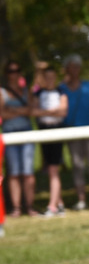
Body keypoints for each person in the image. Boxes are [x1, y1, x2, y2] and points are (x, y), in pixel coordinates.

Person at [60, 54, 89, 210]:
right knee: (77, 166)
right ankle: (81, 200)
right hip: (72, 132)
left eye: (77, 66)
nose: (75, 70)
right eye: (72, 66)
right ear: (66, 69)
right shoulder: (62, 88)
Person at [1, 61, 38, 217]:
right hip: (10, 134)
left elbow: (31, 110)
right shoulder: (2, 92)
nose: (14, 74)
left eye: (17, 70)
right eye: (10, 71)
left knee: (28, 172)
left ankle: (29, 207)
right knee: (14, 173)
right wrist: (20, 111)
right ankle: (17, 208)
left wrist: (13, 110)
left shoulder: (25, 91)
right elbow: (3, 114)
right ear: (6, 74)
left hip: (26, 133)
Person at [34, 65, 68, 217]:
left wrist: (46, 112)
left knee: (53, 170)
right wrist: (52, 112)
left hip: (56, 131)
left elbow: (63, 111)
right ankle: (59, 204)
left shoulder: (60, 92)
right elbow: (33, 111)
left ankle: (52, 206)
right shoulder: (38, 93)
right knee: (51, 168)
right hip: (43, 131)